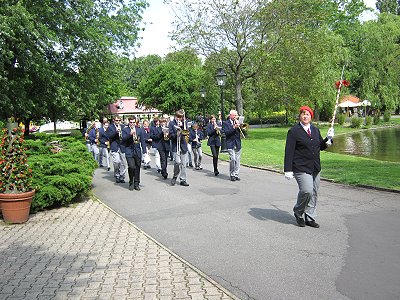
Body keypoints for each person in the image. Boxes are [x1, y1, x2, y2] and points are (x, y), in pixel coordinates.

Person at [284, 105, 334, 228]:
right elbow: (289, 151)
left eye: (308, 114)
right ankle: (298, 212)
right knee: (307, 190)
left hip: (315, 166)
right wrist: (288, 169)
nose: (305, 116)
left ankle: (309, 216)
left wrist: (328, 139)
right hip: (300, 166)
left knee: (314, 192)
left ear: (311, 117)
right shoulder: (294, 131)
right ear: (300, 116)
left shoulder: (315, 130)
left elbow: (320, 146)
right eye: (303, 113)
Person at [122, 117, 147, 191]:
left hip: (137, 150)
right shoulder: (125, 130)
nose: (132, 124)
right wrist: (130, 134)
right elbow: (123, 139)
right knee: (131, 166)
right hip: (129, 150)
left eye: (133, 122)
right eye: (131, 122)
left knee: (137, 167)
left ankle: (136, 183)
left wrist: (145, 151)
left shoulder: (139, 130)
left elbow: (142, 141)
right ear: (129, 122)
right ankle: (131, 182)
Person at [169, 109, 189, 186]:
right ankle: (175, 176)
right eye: (178, 117)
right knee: (177, 162)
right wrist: (176, 133)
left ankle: (183, 179)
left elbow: (186, 132)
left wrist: (182, 128)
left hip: (183, 145)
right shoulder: (171, 123)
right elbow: (170, 135)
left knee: (184, 164)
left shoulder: (184, 123)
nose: (179, 118)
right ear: (175, 116)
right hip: (175, 146)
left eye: (180, 117)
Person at [222, 110, 242, 181]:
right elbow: (226, 133)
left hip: (237, 143)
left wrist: (240, 126)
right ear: (231, 115)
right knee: (232, 159)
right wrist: (234, 127)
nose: (236, 117)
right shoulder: (226, 123)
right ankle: (232, 174)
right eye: (234, 115)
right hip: (230, 143)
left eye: (236, 116)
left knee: (237, 160)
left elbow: (242, 132)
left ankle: (236, 174)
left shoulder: (238, 122)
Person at [106, 115, 126, 183]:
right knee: (116, 162)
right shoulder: (110, 127)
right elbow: (109, 137)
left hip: (122, 146)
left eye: (119, 120)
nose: (118, 122)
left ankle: (122, 176)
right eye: (117, 120)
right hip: (115, 146)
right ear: (114, 120)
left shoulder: (123, 127)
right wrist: (116, 132)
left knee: (123, 163)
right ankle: (117, 175)